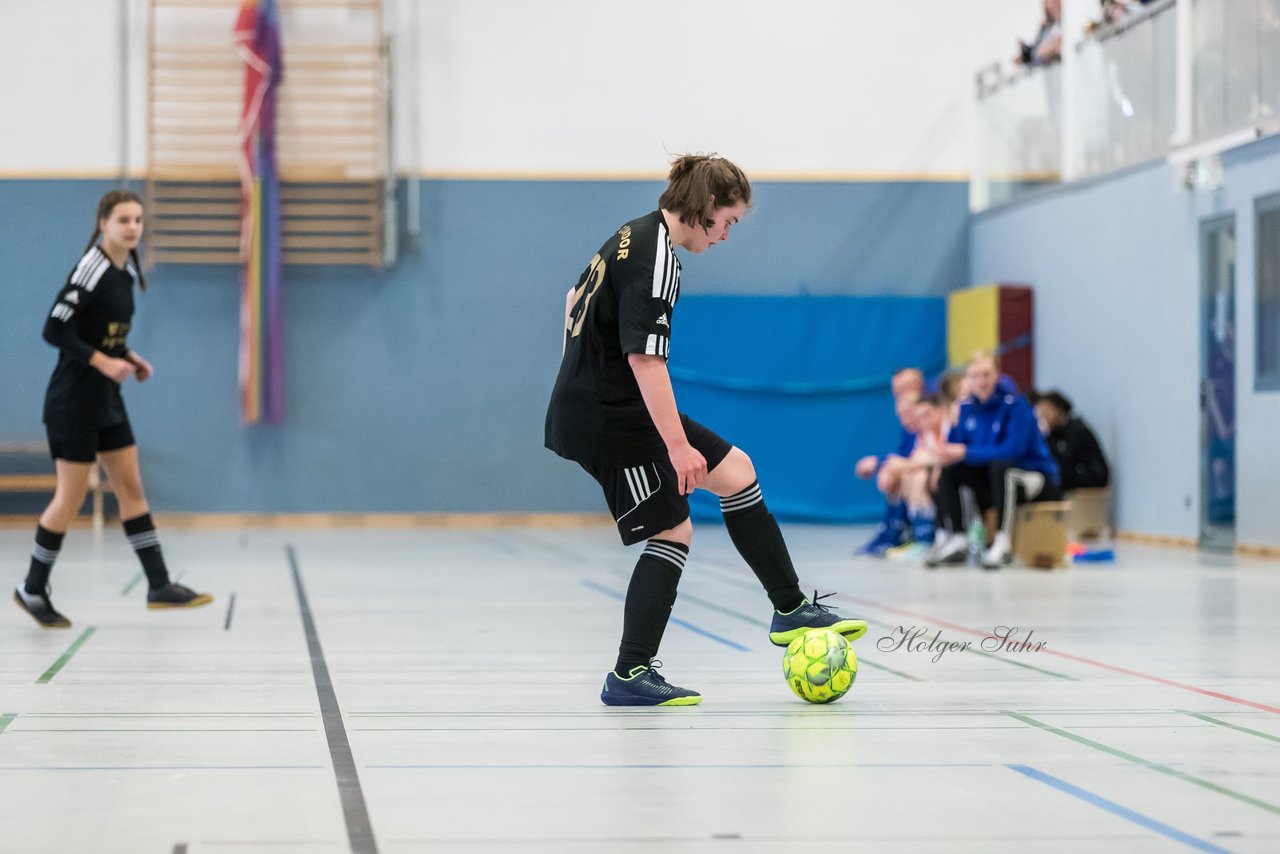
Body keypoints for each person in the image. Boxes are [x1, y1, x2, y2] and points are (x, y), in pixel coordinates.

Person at [544, 155, 868, 706]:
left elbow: (572, 300)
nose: (727, 236)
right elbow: (646, 361)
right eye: (730, 223)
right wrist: (676, 448)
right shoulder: (657, 260)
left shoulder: (633, 234)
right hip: (610, 415)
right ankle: (630, 673)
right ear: (708, 207)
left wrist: (579, 368)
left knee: (738, 471)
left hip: (604, 401)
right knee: (672, 531)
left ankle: (789, 609)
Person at [14, 190, 213, 628]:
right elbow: (55, 328)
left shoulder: (124, 275)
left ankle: (159, 585)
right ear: (103, 223)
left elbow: (101, 333)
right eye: (123, 219)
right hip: (72, 402)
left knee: (132, 489)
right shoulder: (92, 268)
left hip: (106, 401)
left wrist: (128, 355)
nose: (132, 227)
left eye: (138, 220)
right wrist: (104, 361)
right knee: (70, 497)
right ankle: (32, 588)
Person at [925, 351, 1061, 569]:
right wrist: (942, 460)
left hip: (1033, 476)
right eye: (975, 376)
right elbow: (954, 448)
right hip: (992, 478)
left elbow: (1012, 451)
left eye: (986, 374)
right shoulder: (967, 408)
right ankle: (958, 538)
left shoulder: (1016, 406)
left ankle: (1002, 542)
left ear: (997, 375)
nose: (981, 381)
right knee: (951, 471)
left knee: (1003, 468)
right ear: (967, 379)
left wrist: (964, 452)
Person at [853, 367, 923, 555]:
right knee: (893, 471)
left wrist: (882, 465)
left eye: (903, 388)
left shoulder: (926, 412)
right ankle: (889, 532)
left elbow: (920, 454)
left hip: (927, 468)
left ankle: (917, 536)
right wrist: (884, 464)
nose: (898, 393)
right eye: (896, 389)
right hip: (915, 464)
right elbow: (905, 452)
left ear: (918, 386)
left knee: (904, 474)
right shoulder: (909, 418)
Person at [1035, 391, 1110, 490]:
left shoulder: (1077, 431)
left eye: (1046, 411)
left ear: (1058, 410)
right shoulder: (1052, 435)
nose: (1043, 417)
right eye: (1040, 413)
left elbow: (1066, 464)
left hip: (1090, 485)